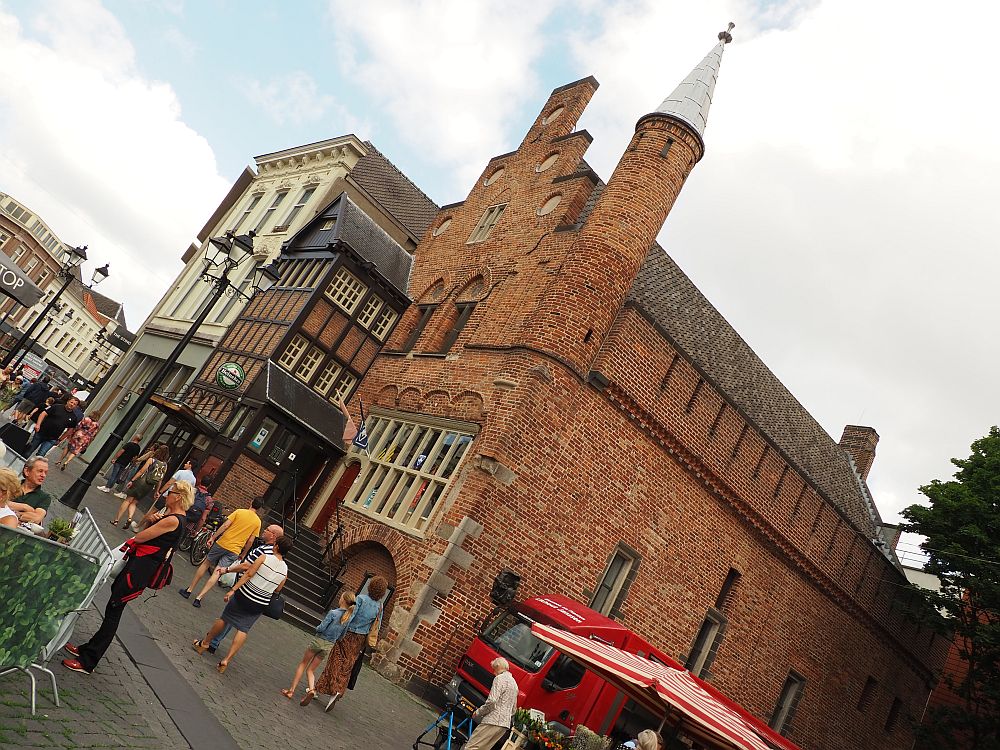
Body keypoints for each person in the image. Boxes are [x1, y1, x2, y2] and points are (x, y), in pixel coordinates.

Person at [62, 481, 194, 674]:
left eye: (170, 492)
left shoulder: (173, 520)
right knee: (113, 609)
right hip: (139, 566)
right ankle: (87, 649)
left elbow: (140, 537)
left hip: (139, 569)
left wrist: (152, 522)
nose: (167, 495)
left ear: (179, 497)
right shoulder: (175, 519)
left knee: (113, 612)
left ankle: (89, 661)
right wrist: (152, 520)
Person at [192, 533, 291, 674]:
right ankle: (226, 660)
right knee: (243, 629)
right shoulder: (285, 569)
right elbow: (278, 588)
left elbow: (249, 573)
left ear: (276, 546)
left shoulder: (265, 557)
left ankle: (204, 643)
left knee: (224, 618)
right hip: (261, 602)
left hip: (245, 595)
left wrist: (232, 590)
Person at [206, 523, 284, 654]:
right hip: (259, 597)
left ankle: (209, 641)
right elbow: (278, 586)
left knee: (227, 617)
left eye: (267, 530)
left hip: (246, 589)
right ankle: (222, 650)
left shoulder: (264, 552)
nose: (264, 531)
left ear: (273, 536)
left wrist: (227, 570)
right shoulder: (280, 562)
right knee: (241, 627)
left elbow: (247, 568)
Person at [314, 576, 387, 713]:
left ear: (371, 586)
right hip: (360, 639)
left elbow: (351, 616)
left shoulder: (360, 599)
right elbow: (377, 625)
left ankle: (325, 688)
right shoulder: (380, 606)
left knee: (335, 659)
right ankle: (335, 690)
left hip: (348, 634)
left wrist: (341, 631)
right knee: (348, 665)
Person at [179, 496, 264, 607]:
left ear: (251, 502)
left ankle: (189, 590)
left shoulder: (239, 512)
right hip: (235, 550)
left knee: (205, 563)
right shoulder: (257, 522)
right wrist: (243, 554)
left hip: (223, 543)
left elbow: (225, 525)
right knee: (218, 572)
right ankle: (199, 598)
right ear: (259, 508)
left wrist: (213, 538)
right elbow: (250, 541)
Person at [285, 591, 357, 703]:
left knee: (303, 664)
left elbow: (322, 628)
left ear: (342, 600)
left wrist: (317, 628)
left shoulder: (333, 613)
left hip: (318, 641)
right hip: (328, 646)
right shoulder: (347, 618)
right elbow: (342, 636)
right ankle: (312, 689)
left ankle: (291, 691)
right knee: (311, 670)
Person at [463, 657, 519, 750]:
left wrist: (478, 712)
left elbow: (492, 701)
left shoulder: (499, 679)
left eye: (494, 669)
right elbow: (514, 709)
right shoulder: (514, 684)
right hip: (504, 725)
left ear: (498, 667)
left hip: (492, 720)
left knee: (472, 747)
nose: (493, 673)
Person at [111, 444, 169, 530]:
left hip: (141, 482)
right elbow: (160, 480)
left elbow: (142, 471)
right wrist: (157, 491)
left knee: (128, 500)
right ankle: (130, 518)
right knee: (134, 502)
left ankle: (116, 520)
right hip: (149, 486)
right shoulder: (165, 465)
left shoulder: (151, 460)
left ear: (158, 451)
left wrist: (132, 480)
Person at [7, 456, 51, 524]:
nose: (43, 475)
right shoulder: (11, 484)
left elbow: (36, 518)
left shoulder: (45, 497)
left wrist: (15, 513)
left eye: (46, 472)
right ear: (27, 471)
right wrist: (25, 507)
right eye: (40, 471)